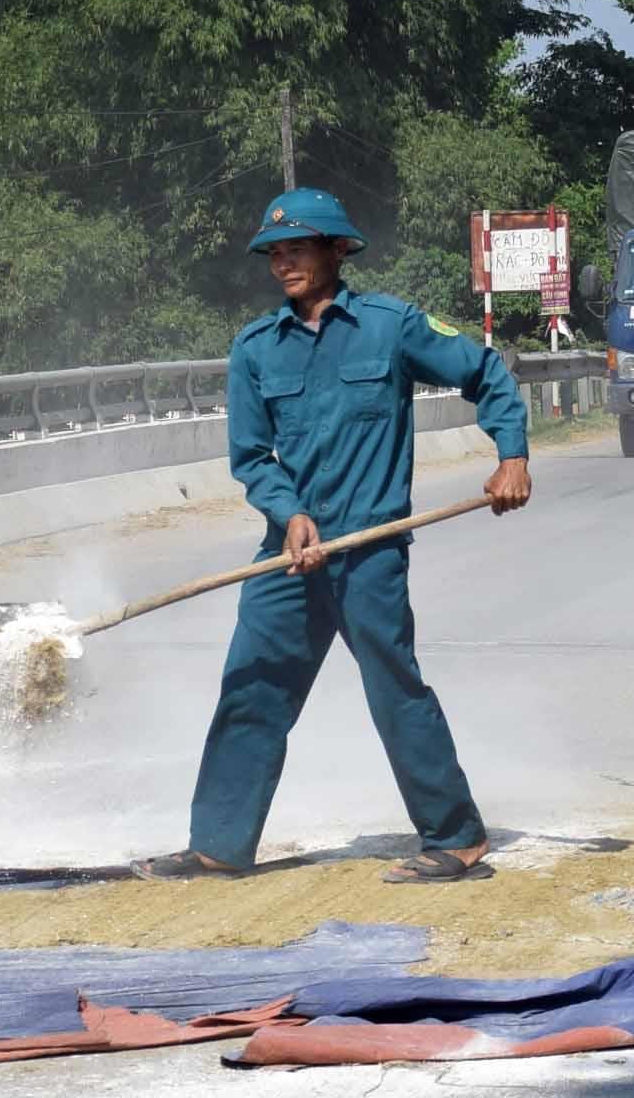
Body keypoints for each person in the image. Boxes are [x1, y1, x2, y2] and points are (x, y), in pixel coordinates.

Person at [136, 188, 532, 885]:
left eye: (297, 248)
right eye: (274, 252)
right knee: (252, 686)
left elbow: (486, 373)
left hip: (371, 545)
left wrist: (512, 456)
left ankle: (457, 835)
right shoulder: (255, 349)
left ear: (336, 250)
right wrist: (288, 513)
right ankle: (219, 845)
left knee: (391, 686)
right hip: (288, 554)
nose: (282, 261)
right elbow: (252, 457)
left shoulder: (391, 326)